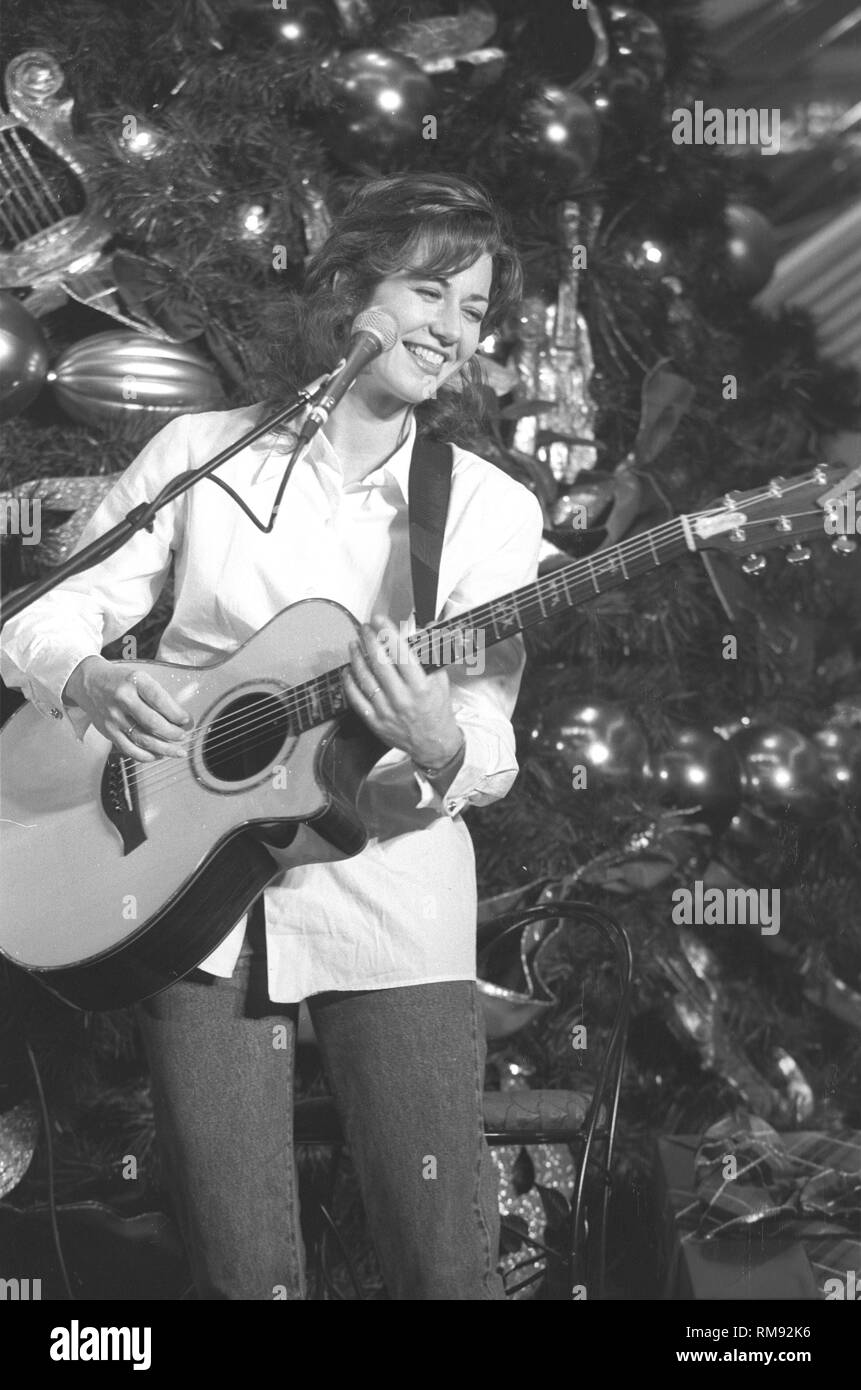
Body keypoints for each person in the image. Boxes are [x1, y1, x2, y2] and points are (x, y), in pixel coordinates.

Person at [1, 173, 544, 1300]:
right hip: (182, 890)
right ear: (353, 291)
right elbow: (43, 615)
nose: (453, 329)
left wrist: (440, 741)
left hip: (391, 898)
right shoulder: (205, 453)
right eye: (431, 291)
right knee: (243, 1274)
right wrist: (95, 676)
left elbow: (487, 732)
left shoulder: (487, 508)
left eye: (476, 309)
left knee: (444, 1261)